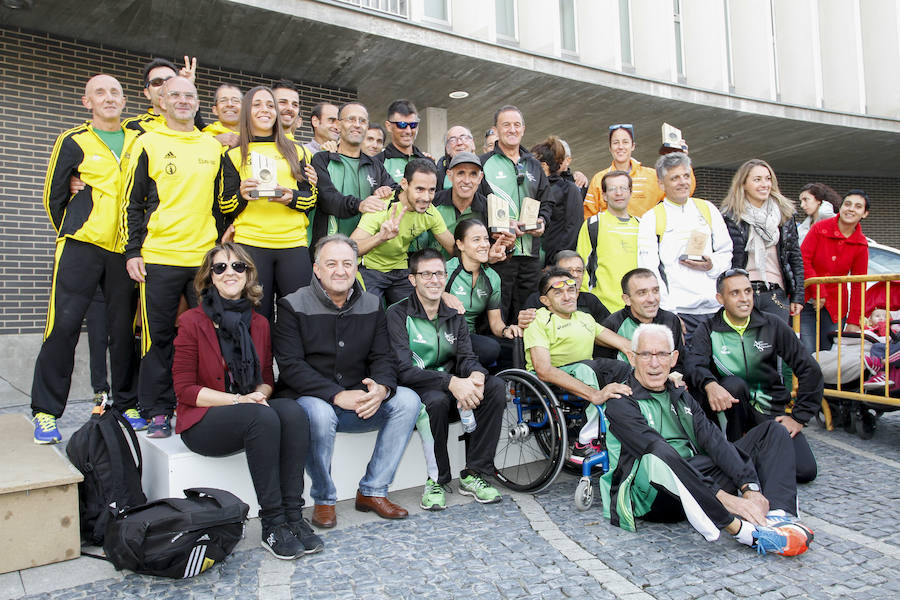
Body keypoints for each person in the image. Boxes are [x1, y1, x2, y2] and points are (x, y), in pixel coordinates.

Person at [599, 323, 815, 557]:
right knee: (660, 453)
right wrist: (725, 499)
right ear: (632, 358)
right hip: (654, 494)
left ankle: (778, 517)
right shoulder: (621, 399)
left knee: (773, 431)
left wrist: (748, 487)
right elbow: (654, 451)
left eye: (661, 354)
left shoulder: (679, 394)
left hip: (697, 476)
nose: (654, 363)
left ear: (673, 358)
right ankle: (745, 532)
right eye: (645, 355)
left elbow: (713, 440)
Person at [172, 244, 322, 560]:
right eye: (220, 267)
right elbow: (185, 390)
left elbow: (266, 379)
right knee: (261, 417)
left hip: (248, 411)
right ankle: (273, 524)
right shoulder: (191, 321)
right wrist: (240, 400)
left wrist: (258, 395)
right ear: (210, 277)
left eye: (238, 266)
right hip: (203, 421)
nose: (230, 272)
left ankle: (294, 516)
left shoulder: (259, 323)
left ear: (248, 274)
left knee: (293, 412)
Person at [273, 235, 420, 528]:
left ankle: (373, 491)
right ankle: (324, 499)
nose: (340, 271)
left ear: (355, 268)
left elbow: (383, 356)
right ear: (317, 269)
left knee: (408, 400)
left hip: (360, 404)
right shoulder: (292, 305)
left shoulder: (372, 303)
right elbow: (291, 366)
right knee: (319, 412)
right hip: (312, 401)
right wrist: (337, 395)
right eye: (331, 264)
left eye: (347, 264)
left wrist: (381, 388)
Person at [30, 74, 142, 444]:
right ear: (87, 102)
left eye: (115, 93)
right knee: (62, 326)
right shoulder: (73, 140)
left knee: (123, 331)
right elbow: (54, 196)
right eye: (100, 93)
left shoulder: (139, 139)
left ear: (124, 101)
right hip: (81, 246)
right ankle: (46, 412)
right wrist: (75, 226)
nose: (108, 98)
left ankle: (127, 404)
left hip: (124, 252)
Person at [123, 76, 221, 438]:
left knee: (207, 337)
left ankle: (202, 405)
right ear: (161, 101)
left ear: (197, 103)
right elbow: (131, 203)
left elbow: (219, 203)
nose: (182, 100)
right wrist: (133, 251)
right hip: (159, 256)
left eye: (189, 95)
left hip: (203, 259)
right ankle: (158, 410)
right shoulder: (147, 142)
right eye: (174, 95)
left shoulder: (211, 145)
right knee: (157, 338)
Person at [387, 249, 507, 510]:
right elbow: (403, 370)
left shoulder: (453, 312)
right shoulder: (397, 314)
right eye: (426, 274)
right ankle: (437, 480)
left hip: (452, 383)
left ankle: (474, 473)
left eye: (439, 274)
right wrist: (452, 383)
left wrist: (476, 374)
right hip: (418, 387)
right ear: (412, 279)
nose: (434, 280)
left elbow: (466, 356)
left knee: (495, 387)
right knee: (437, 401)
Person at [685, 269, 821, 483]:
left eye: (748, 291)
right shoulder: (708, 329)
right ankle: (735, 450)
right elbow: (693, 365)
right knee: (733, 384)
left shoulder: (772, 324)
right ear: (720, 299)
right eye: (735, 293)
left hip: (770, 411)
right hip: (732, 412)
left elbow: (809, 369)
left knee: (805, 471)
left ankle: (750, 456)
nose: (744, 298)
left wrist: (798, 418)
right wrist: (710, 384)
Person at [219, 86, 318, 320]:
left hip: (292, 244)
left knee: (298, 317)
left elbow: (311, 199)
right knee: (255, 319)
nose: (265, 110)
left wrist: (291, 197)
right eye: (257, 105)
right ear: (247, 111)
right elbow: (225, 205)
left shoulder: (299, 152)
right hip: (250, 244)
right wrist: (242, 195)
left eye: (270, 105)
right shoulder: (233, 155)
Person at [523, 268, 631, 461]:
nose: (567, 296)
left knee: (622, 368)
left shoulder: (584, 318)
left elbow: (624, 344)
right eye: (558, 292)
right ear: (545, 300)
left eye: (571, 290)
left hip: (586, 372)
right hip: (549, 380)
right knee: (586, 368)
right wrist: (594, 394)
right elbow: (543, 370)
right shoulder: (538, 320)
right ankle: (585, 443)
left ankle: (627, 429)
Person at [637, 152, 732, 344]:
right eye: (675, 178)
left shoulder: (708, 209)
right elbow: (649, 270)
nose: (682, 182)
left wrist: (711, 265)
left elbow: (726, 251)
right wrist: (668, 313)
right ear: (661, 184)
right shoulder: (651, 218)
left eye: (686, 176)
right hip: (680, 313)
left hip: (715, 310)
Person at [480, 105, 554, 323]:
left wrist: (543, 221)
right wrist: (497, 225)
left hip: (530, 255)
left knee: (529, 314)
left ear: (523, 129)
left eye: (516, 125)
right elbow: (477, 205)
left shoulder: (534, 165)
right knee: (498, 314)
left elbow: (547, 202)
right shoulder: (484, 163)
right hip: (500, 253)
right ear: (496, 130)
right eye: (506, 125)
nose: (512, 129)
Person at [351, 159, 454, 304]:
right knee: (370, 310)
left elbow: (453, 247)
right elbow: (350, 248)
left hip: (401, 270)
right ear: (404, 184)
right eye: (420, 189)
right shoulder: (382, 206)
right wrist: (380, 237)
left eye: (431, 190)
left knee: (416, 310)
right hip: (370, 269)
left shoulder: (430, 212)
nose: (426, 197)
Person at [719, 159, 804, 324]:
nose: (764, 184)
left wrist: (798, 296)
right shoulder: (730, 217)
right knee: (746, 340)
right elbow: (727, 258)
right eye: (757, 179)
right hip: (742, 293)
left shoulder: (784, 214)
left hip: (775, 293)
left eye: (768, 179)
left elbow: (794, 256)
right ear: (743, 184)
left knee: (776, 340)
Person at [309, 102, 395, 242]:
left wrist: (387, 190)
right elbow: (327, 198)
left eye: (362, 121)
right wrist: (359, 205)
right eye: (351, 119)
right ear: (338, 124)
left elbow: (395, 189)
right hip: (329, 247)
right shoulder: (322, 159)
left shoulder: (375, 165)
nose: (357, 125)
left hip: (367, 248)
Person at [800, 190, 870, 353]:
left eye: (858, 206)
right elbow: (803, 260)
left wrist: (854, 321)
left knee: (829, 355)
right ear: (841, 207)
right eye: (847, 204)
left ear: (865, 213)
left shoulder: (861, 243)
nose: (851, 209)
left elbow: (859, 284)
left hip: (836, 306)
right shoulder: (820, 228)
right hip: (806, 300)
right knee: (806, 353)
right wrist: (818, 291)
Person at [445, 219, 520, 367]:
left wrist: (506, 330)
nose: (484, 244)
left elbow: (495, 322)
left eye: (486, 239)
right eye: (476, 240)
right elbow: (418, 296)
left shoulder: (493, 278)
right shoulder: (446, 270)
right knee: (489, 349)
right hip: (445, 334)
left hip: (470, 337)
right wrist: (443, 295)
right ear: (460, 245)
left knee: (515, 348)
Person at [584, 124, 694, 219]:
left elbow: (682, 193)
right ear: (610, 148)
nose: (620, 147)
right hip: (611, 236)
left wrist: (681, 161)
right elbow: (588, 215)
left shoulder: (652, 176)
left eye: (625, 142)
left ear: (633, 146)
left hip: (646, 235)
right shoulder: (599, 179)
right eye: (616, 142)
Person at [576, 170, 639, 313]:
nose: (618, 193)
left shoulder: (641, 226)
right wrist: (586, 303)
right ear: (604, 195)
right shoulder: (593, 224)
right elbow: (581, 265)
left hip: (637, 307)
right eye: (612, 189)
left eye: (623, 188)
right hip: (603, 308)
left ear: (630, 192)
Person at [600, 268, 685, 372]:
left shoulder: (670, 320)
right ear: (627, 299)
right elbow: (604, 370)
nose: (652, 299)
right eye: (642, 293)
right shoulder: (613, 324)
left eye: (655, 291)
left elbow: (679, 363)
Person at [519, 252, 610, 334]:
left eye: (579, 270)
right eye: (568, 271)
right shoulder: (536, 300)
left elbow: (609, 328)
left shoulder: (591, 300)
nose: (575, 275)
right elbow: (525, 329)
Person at [531, 136, 583, 266]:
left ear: (543, 166)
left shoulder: (569, 189)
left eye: (531, 164)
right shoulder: (532, 188)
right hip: (533, 260)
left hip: (556, 262)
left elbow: (572, 229)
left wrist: (557, 263)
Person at [123, 56, 201, 134]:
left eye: (170, 81)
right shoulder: (132, 126)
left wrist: (187, 88)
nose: (164, 85)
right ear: (147, 93)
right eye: (156, 82)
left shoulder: (194, 125)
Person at [377, 99, 432, 183]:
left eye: (413, 125)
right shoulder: (378, 162)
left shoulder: (427, 161)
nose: (408, 131)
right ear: (389, 126)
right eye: (402, 125)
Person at [436, 125, 476, 189]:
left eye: (464, 138)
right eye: (453, 140)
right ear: (447, 149)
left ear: (472, 144)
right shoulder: (440, 173)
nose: (459, 143)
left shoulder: (484, 166)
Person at [202, 83, 242, 147]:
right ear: (215, 110)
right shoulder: (204, 139)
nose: (229, 104)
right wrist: (213, 141)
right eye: (223, 101)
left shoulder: (253, 137)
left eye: (235, 101)